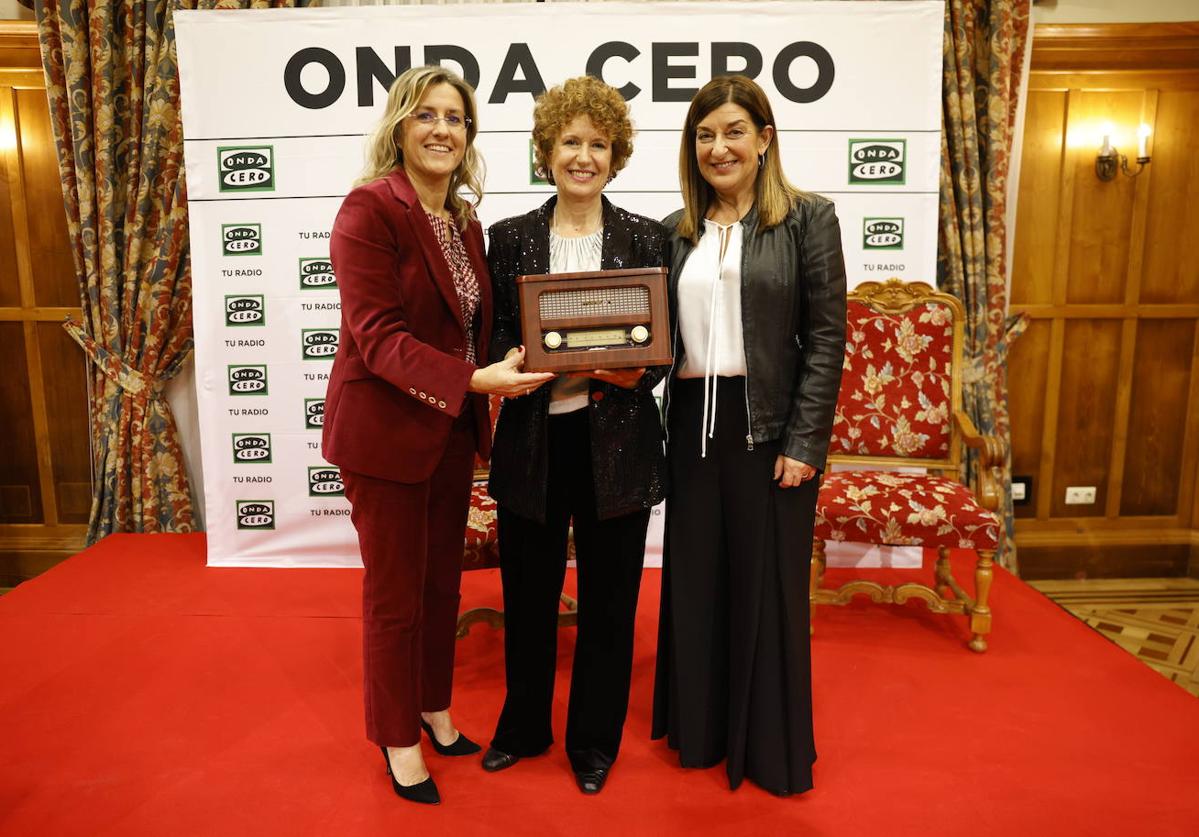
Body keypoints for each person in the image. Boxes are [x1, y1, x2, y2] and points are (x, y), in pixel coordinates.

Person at [322, 66, 553, 806]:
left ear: (469, 136)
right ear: (399, 125)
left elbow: (464, 328)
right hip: (385, 437)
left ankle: (432, 708)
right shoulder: (368, 210)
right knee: (395, 596)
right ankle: (396, 736)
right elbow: (377, 336)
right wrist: (474, 381)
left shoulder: (461, 221)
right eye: (426, 115)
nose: (441, 130)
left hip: (450, 432)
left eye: (455, 118)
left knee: (439, 586)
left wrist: (498, 365)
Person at [651, 74, 847, 796]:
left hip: (768, 430)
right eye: (704, 134)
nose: (718, 146)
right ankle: (699, 736)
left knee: (767, 593)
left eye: (733, 130)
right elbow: (655, 340)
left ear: (765, 139)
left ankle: (768, 751)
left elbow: (826, 338)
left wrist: (804, 442)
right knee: (697, 585)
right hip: (693, 434)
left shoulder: (806, 219)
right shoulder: (679, 230)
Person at [481, 75, 668, 796]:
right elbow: (496, 331)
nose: (582, 156)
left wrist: (636, 374)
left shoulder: (648, 238)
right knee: (527, 596)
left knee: (610, 602)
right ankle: (522, 727)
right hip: (533, 442)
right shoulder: (510, 238)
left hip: (616, 443)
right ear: (544, 150)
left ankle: (594, 741)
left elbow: (664, 346)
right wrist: (512, 363)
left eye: (597, 144)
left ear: (615, 156)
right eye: (569, 142)